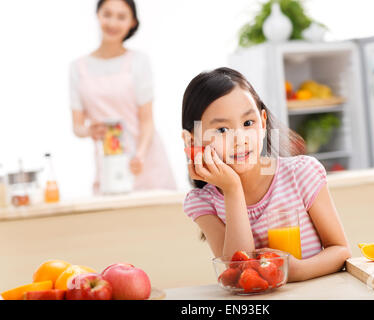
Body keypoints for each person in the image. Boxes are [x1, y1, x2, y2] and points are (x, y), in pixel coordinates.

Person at [181, 67, 351, 282]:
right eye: (222, 130)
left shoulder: (301, 174)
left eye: (248, 123)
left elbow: (341, 250)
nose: (239, 139)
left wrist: (294, 271)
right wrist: (232, 189)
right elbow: (238, 272)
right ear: (191, 141)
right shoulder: (204, 202)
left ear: (262, 123)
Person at [70, 0, 176, 193]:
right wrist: (89, 131)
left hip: (146, 161)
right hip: (108, 161)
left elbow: (147, 120)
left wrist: (140, 155)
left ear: (132, 23)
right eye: (107, 14)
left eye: (121, 17)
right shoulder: (78, 68)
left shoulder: (139, 62)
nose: (112, 23)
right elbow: (77, 126)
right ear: (97, 15)